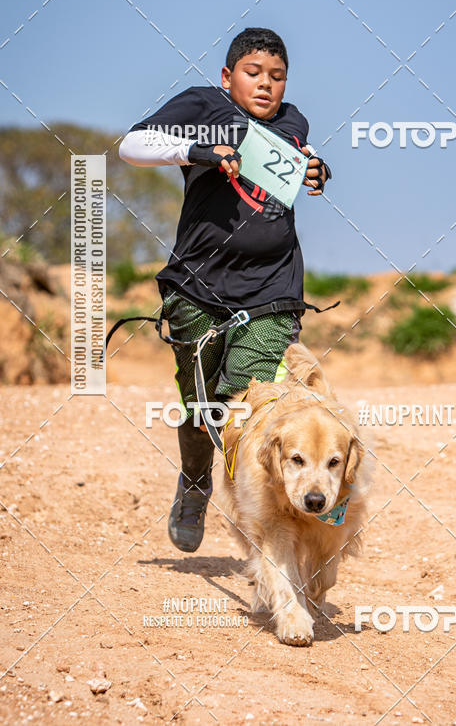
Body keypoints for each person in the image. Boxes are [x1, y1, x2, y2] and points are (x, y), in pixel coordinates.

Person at [119, 27, 332, 552]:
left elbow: (294, 168)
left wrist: (318, 169)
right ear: (227, 77)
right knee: (200, 411)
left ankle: (262, 520)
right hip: (197, 288)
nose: (266, 85)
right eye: (253, 73)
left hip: (272, 289)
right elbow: (132, 144)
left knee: (247, 405)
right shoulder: (203, 105)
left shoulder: (293, 122)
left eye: (277, 77)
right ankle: (194, 482)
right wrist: (199, 152)